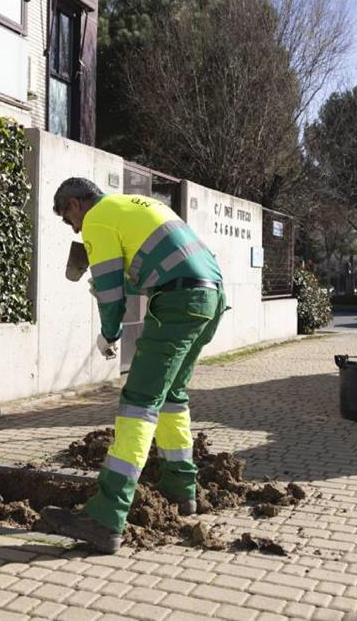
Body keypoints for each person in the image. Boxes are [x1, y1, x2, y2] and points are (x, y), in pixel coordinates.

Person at [40, 178, 226, 554]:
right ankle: (180, 490)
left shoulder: (97, 219)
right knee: (172, 396)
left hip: (178, 300)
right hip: (211, 297)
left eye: (67, 218)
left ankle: (105, 518)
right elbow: (152, 264)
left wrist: (108, 335)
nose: (73, 228)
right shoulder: (134, 205)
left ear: (76, 204)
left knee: (138, 401)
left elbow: (111, 294)